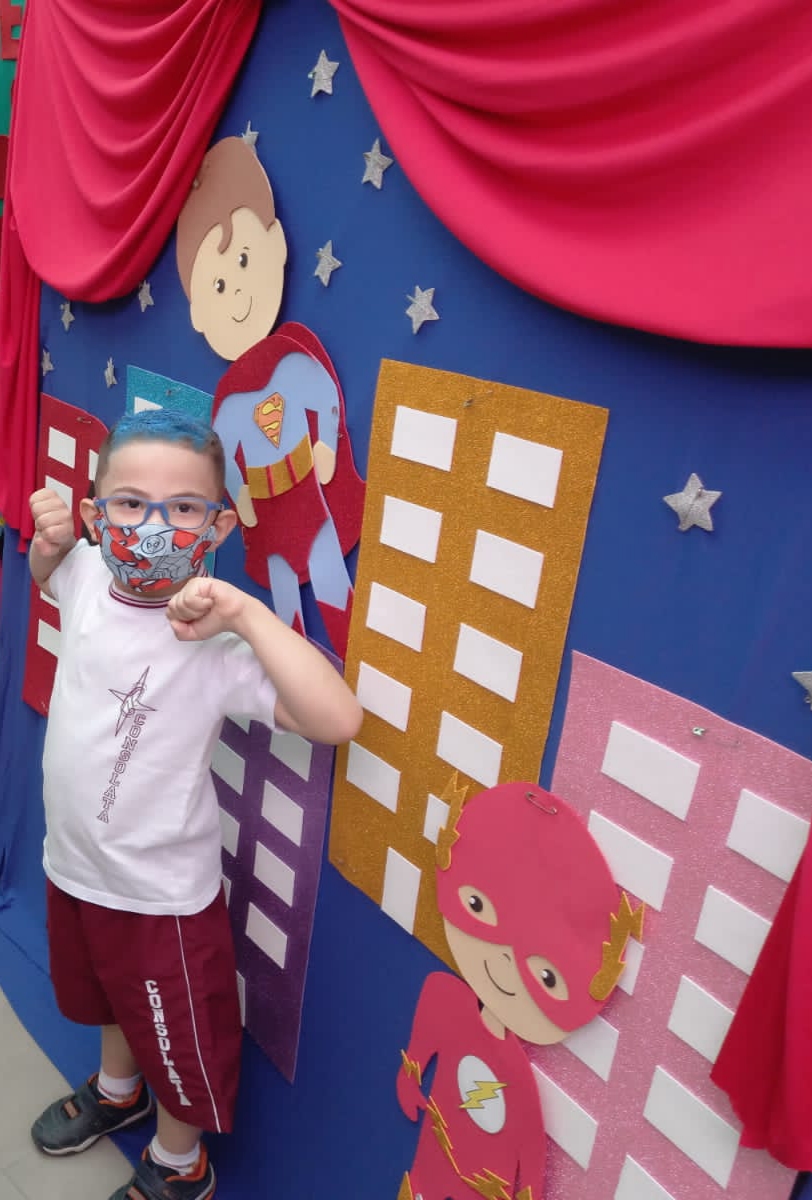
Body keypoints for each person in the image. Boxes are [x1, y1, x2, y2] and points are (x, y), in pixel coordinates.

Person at [27, 409, 363, 1200]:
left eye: (181, 507)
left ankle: (181, 1164)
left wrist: (245, 613)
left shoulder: (215, 643)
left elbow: (337, 719)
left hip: (160, 901)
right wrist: (48, 542)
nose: (151, 526)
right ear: (96, 514)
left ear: (216, 528)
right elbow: (51, 574)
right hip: (72, 866)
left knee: (175, 1038)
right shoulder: (84, 573)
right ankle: (119, 1093)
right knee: (104, 997)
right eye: (130, 503)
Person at [396, 779, 644, 1200]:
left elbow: (528, 1147)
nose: (503, 965)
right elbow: (423, 1043)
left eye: (547, 977)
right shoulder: (446, 998)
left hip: (484, 1183)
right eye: (477, 906)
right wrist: (410, 1076)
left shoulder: (513, 1068)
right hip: (431, 1160)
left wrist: (526, 1189)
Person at [176, 136, 365, 660]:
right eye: (217, 286)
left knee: (328, 573)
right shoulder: (229, 397)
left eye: (243, 260)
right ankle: (292, 676)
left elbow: (324, 399)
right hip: (268, 506)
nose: (236, 292)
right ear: (198, 311)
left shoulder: (289, 361)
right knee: (283, 598)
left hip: (306, 490)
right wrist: (241, 496)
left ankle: (352, 664)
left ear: (273, 244)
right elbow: (227, 452)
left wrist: (326, 444)